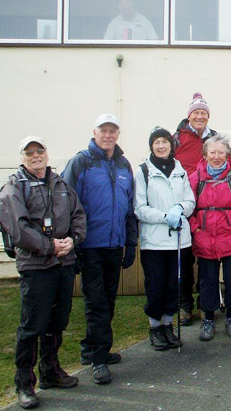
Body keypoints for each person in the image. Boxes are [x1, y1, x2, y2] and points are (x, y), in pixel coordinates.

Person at [0, 136, 86, 409]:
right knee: (31, 326)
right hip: (37, 266)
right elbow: (18, 228)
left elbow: (78, 215)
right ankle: (24, 383)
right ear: (23, 157)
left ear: (47, 154)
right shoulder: (14, 187)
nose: (36, 155)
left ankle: (51, 371)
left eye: (40, 151)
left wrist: (73, 239)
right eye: (30, 152)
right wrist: (49, 246)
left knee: (57, 322)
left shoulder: (61, 184)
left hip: (63, 263)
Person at [62, 114, 138, 384]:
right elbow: (65, 204)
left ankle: (92, 348)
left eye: (112, 130)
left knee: (108, 298)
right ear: (94, 132)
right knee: (96, 302)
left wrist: (130, 242)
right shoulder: (81, 161)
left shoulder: (123, 164)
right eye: (103, 130)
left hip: (114, 244)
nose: (108, 135)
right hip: (89, 245)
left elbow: (129, 207)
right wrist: (74, 244)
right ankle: (97, 357)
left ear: (118, 134)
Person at [134, 127, 196, 351]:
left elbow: (190, 200)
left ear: (171, 145)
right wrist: (164, 217)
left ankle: (168, 325)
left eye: (165, 142)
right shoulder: (143, 171)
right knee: (156, 286)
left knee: (174, 286)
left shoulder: (180, 170)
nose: (161, 146)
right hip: (154, 241)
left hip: (180, 240)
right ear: (151, 145)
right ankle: (155, 328)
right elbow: (139, 208)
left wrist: (180, 208)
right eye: (157, 142)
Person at [188, 134, 231, 341]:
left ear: (227, 155)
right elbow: (188, 207)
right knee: (207, 281)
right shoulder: (195, 178)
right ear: (205, 154)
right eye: (212, 152)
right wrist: (196, 229)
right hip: (205, 237)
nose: (217, 156)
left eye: (221, 152)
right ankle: (208, 319)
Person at [173, 92, 218, 326]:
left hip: (209, 204)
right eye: (196, 112)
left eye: (204, 113)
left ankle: (206, 301)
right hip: (184, 203)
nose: (200, 116)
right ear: (189, 115)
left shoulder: (215, 137)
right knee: (185, 256)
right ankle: (184, 304)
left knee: (207, 255)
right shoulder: (177, 138)